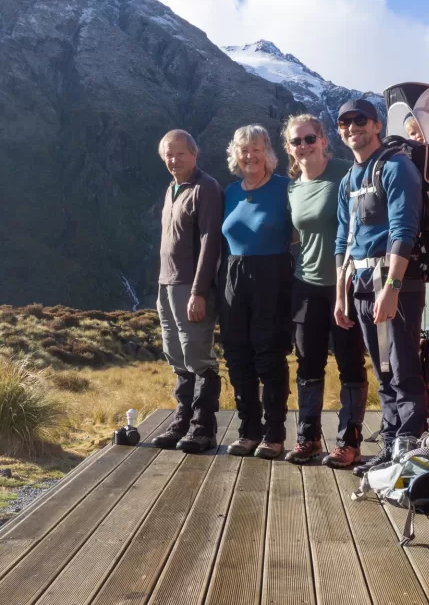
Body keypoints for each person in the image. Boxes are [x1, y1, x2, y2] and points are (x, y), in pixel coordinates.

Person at [332, 99, 426, 474]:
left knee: (403, 368)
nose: (351, 127)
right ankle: (390, 446)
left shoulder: (396, 167)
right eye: (343, 122)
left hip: (392, 280)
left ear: (376, 125)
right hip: (360, 284)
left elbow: (405, 229)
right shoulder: (347, 180)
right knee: (382, 369)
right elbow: (343, 240)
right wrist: (340, 296)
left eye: (359, 120)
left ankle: (407, 454)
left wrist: (392, 287)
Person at [280, 114, 369, 468]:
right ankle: (308, 439)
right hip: (306, 286)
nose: (303, 146)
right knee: (308, 363)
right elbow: (295, 235)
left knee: (350, 362)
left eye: (309, 139)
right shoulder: (292, 188)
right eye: (296, 141)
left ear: (323, 140)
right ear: (288, 148)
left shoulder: (346, 173)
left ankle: (349, 442)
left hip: (345, 284)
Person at [219, 124, 293, 459]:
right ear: (235, 154)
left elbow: (301, 231)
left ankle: (274, 434)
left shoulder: (285, 188)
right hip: (233, 274)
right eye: (243, 149)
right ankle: (248, 431)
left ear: (269, 154)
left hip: (272, 273)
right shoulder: (230, 191)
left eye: (257, 149)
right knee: (237, 356)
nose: (250, 155)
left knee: (268, 354)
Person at [150, 129, 225, 453]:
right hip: (166, 285)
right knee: (177, 355)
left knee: (198, 355)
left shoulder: (205, 188)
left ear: (194, 154)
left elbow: (211, 241)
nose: (173, 159)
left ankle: (203, 428)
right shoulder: (172, 188)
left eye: (180, 153)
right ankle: (182, 421)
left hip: (190, 287)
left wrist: (198, 291)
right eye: (168, 154)